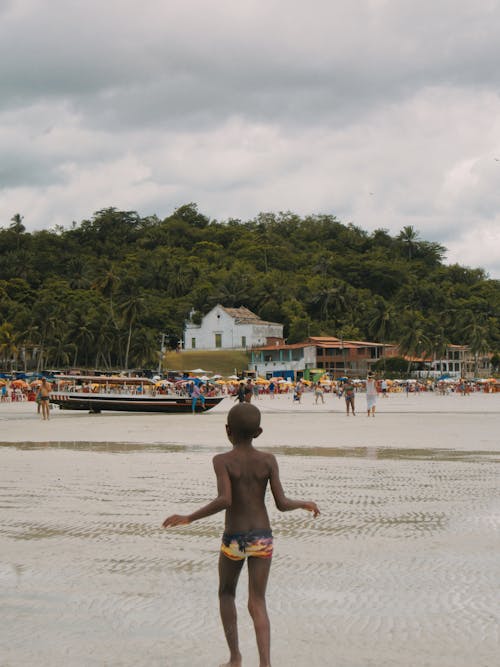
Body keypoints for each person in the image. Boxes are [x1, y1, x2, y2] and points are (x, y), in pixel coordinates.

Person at [162, 403, 320, 667]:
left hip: (234, 538)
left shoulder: (222, 461)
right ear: (258, 432)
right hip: (262, 537)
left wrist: (189, 517)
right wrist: (303, 503)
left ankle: (235, 658)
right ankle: (265, 665)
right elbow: (281, 503)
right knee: (257, 601)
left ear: (227, 430)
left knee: (226, 593)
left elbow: (225, 499)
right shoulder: (268, 460)